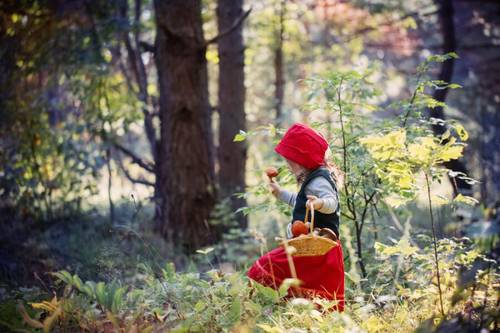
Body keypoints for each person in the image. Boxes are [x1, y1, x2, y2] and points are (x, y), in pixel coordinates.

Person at [247, 123, 345, 311]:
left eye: (290, 160)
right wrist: (280, 193)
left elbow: (331, 203)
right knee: (310, 289)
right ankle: (296, 317)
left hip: (317, 246)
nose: (287, 164)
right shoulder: (312, 179)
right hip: (308, 248)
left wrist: (319, 204)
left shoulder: (318, 180)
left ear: (302, 159)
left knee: (265, 266)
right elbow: (300, 202)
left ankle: (254, 309)